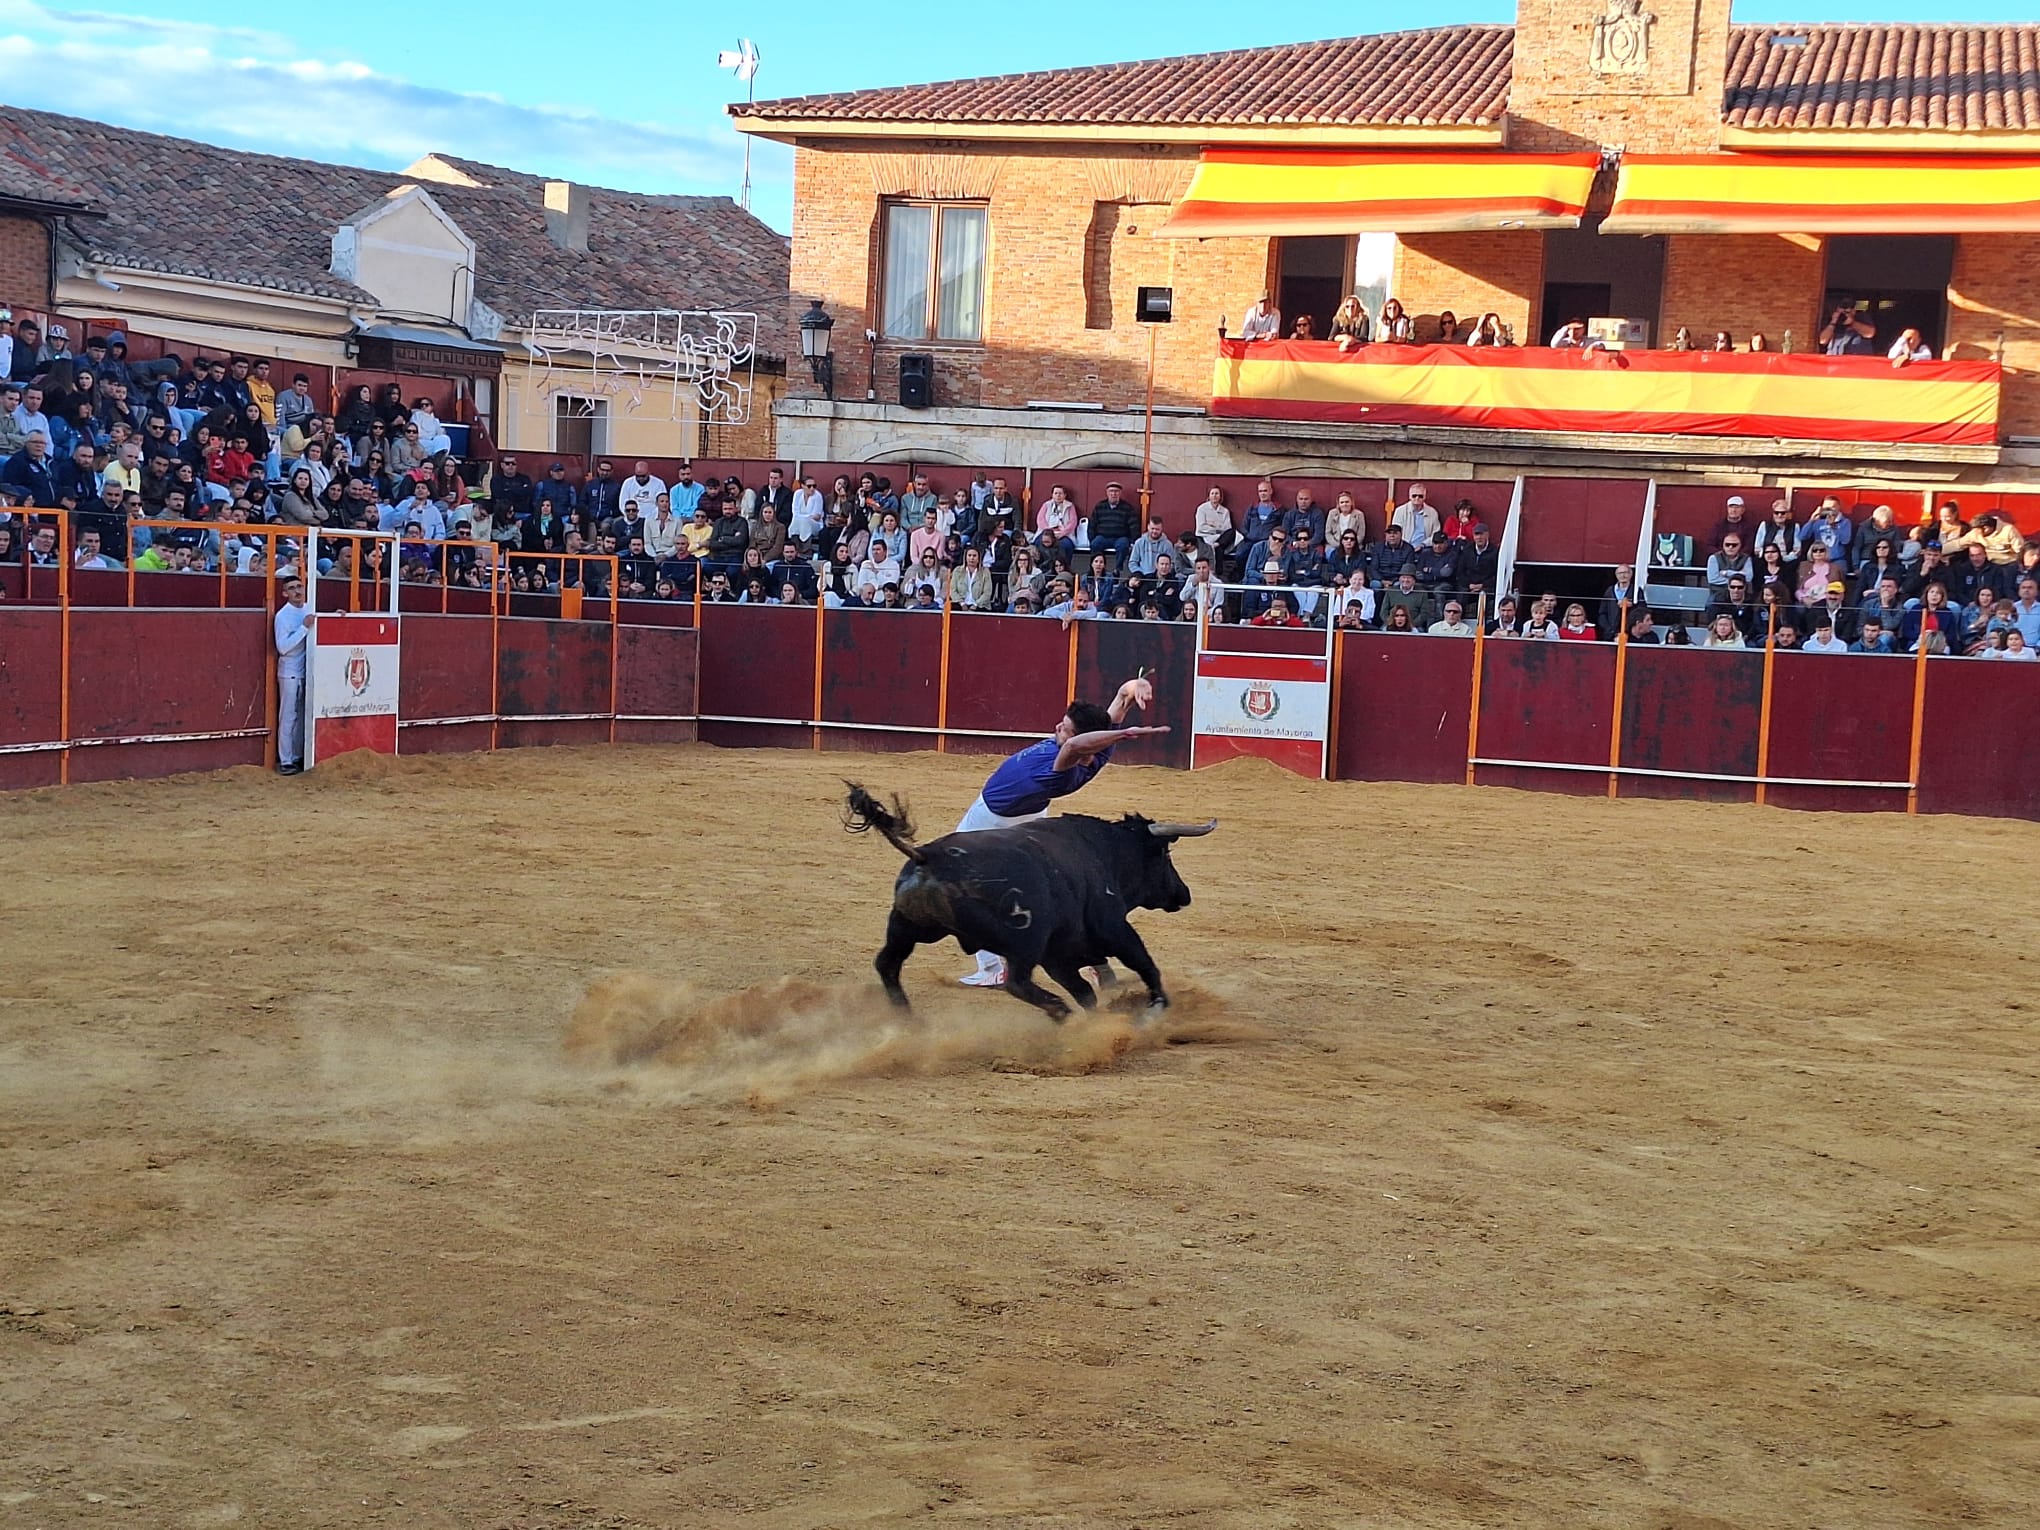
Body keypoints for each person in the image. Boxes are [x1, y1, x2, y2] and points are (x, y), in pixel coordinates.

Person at [954, 675, 1168, 987]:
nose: (1057, 727)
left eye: (1065, 727)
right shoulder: (1098, 750)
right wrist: (1133, 688)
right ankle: (1094, 958)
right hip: (1030, 818)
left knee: (964, 885)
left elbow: (1075, 744)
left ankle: (991, 969)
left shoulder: (1064, 766)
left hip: (994, 821)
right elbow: (1120, 701)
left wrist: (1121, 732)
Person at [274, 573, 315, 775]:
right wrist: (304, 628)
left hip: (307, 669)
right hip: (289, 671)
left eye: (299, 586)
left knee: (301, 715)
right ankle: (286, 759)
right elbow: (283, 647)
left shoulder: (309, 608)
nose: (297, 591)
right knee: (289, 716)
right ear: (284, 593)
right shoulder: (282, 616)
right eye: (292, 588)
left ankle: (298, 756)